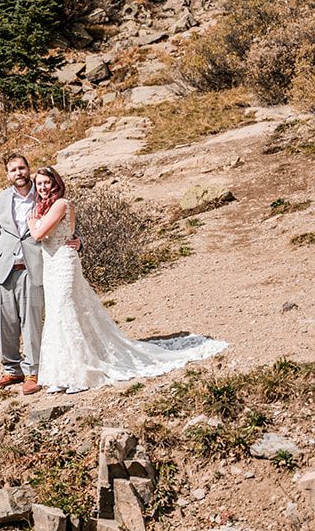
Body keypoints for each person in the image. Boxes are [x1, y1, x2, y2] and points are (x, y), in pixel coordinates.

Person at [28, 166, 225, 394]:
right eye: (39, 183)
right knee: (57, 314)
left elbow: (38, 234)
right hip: (51, 266)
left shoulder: (61, 204)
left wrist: (33, 223)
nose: (42, 187)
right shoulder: (46, 206)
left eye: (46, 183)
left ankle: (82, 373)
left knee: (66, 311)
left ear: (55, 183)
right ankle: (63, 373)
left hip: (63, 263)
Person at [0, 153, 61, 395]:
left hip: (33, 267)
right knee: (5, 321)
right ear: (7, 175)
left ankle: (32, 372)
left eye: (22, 168)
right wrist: (4, 254)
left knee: (31, 322)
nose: (18, 172)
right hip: (4, 270)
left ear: (29, 169)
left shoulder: (43, 195)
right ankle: (12, 369)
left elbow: (61, 221)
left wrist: (76, 240)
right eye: (13, 170)